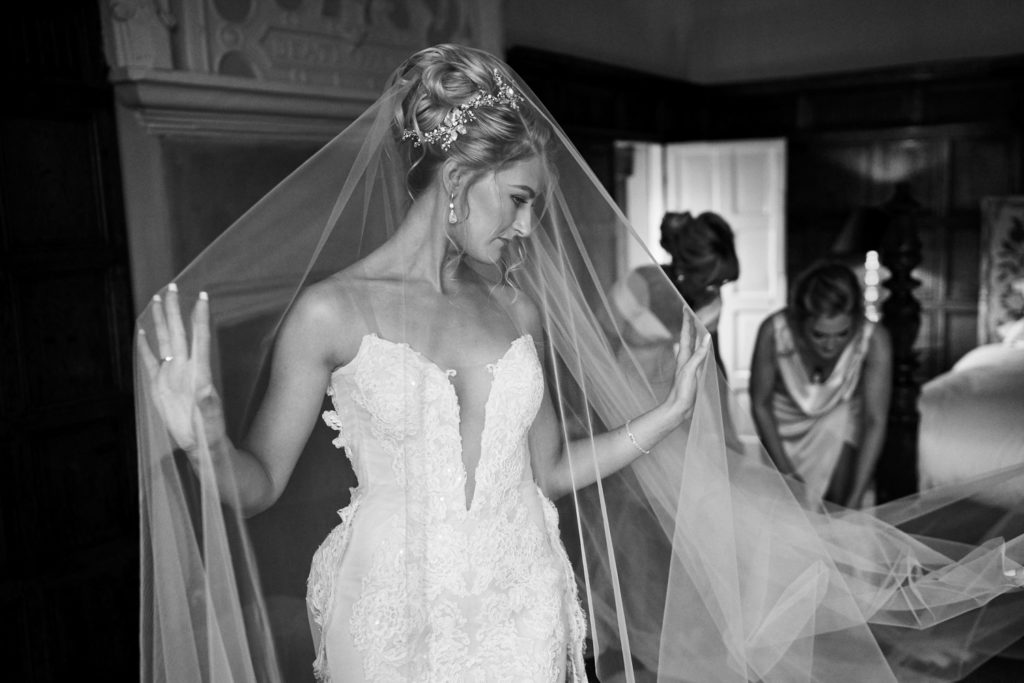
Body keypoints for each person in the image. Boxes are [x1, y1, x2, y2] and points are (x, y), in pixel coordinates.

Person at [135, 44, 1024, 683]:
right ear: (458, 182)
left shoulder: (514, 306)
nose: (528, 228)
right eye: (519, 199)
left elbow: (551, 470)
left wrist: (666, 415)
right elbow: (255, 487)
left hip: (525, 590)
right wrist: (205, 435)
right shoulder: (331, 312)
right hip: (391, 607)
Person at [749, 261, 891, 507]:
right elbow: (760, 404)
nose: (830, 346)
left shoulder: (874, 338)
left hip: (839, 418)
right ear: (799, 322)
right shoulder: (774, 331)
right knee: (782, 512)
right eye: (819, 335)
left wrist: (856, 498)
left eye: (843, 334)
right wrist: (786, 475)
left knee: (838, 506)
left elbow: (875, 420)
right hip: (782, 429)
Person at [608, 211, 738, 399]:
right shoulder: (638, 284)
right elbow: (600, 346)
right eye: (710, 281)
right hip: (620, 391)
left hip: (667, 392)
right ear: (684, 270)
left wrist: (724, 412)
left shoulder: (711, 302)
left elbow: (713, 363)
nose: (716, 290)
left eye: (722, 281)